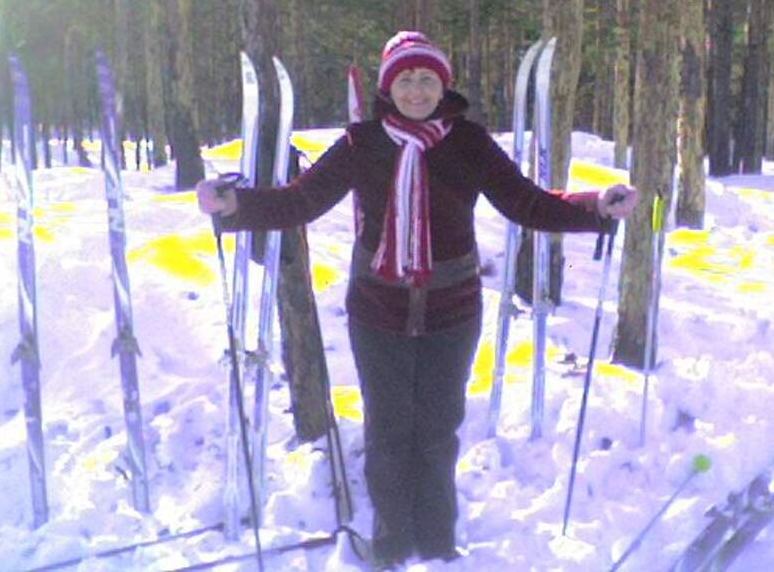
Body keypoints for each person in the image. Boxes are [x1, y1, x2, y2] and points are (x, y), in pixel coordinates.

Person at [197, 31, 638, 568]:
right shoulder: (361, 143)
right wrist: (236, 206)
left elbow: (526, 203)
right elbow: (302, 200)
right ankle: (390, 544)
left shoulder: (468, 142)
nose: (416, 90)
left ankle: (436, 543)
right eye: (405, 80)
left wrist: (594, 207)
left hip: (453, 310)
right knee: (387, 430)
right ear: (388, 88)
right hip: (377, 309)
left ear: (443, 86)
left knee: (437, 430)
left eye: (427, 79)